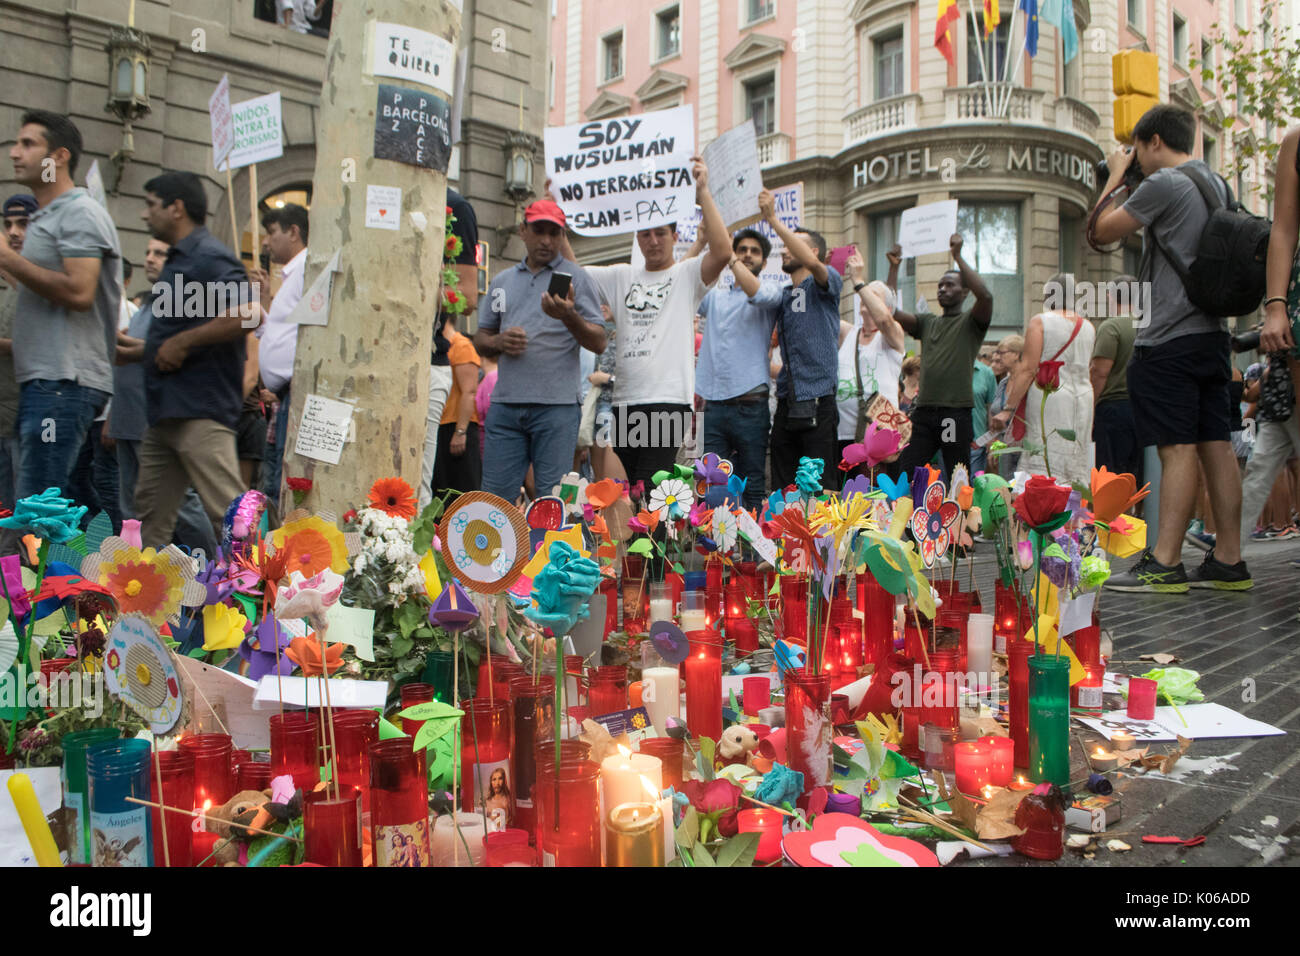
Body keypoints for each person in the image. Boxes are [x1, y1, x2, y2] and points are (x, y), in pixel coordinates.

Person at [1092, 105, 1249, 592]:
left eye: (1137, 147)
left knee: (1177, 447)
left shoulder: (1165, 183)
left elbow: (1100, 233)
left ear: (1153, 141)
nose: (1135, 156)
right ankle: (1229, 559)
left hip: (1169, 338)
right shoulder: (1215, 183)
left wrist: (1116, 177)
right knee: (1216, 445)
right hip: (1211, 336)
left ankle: (1165, 562)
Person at [563, 158, 731, 491]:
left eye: (660, 233)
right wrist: (559, 217)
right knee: (630, 494)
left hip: (668, 401)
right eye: (645, 234)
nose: (652, 241)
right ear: (637, 237)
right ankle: (645, 542)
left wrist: (703, 193)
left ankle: (652, 543)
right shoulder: (621, 275)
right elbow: (575, 273)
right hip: (626, 401)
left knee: (651, 489)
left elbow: (723, 251)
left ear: (674, 235)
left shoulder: (686, 275)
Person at [133, 171, 259, 548]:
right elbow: (180, 332)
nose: (143, 215)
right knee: (148, 518)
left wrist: (182, 344)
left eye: (151, 205)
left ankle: (266, 597)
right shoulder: (180, 260)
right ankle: (145, 600)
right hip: (165, 414)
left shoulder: (209, 256)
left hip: (199, 411)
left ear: (177, 208)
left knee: (231, 517)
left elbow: (249, 314)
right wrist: (142, 351)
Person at [0, 111, 120, 500]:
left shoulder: (78, 212)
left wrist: (6, 258)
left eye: (28, 144)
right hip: (45, 382)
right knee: (59, 507)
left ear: (59, 157)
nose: (15, 152)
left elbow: (79, 292)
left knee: (41, 512)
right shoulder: (45, 217)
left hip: (63, 383)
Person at [475, 199, 605, 502]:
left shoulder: (577, 278)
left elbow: (599, 341)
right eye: (539, 230)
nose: (547, 240)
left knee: (553, 503)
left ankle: (551, 551)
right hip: (506, 406)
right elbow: (481, 337)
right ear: (523, 230)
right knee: (495, 500)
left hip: (557, 408)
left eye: (554, 233)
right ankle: (501, 551)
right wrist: (498, 342)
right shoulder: (502, 283)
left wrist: (568, 315)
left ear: (563, 237)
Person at [109, 236, 216, 556]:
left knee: (178, 501)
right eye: (147, 252)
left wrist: (117, 344)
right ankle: (141, 575)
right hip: (129, 417)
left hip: (159, 419)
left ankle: (221, 568)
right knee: (132, 508)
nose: (150, 259)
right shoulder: (149, 305)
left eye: (160, 253)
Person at [891, 234, 994, 479]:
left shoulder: (971, 322)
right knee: (905, 472)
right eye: (940, 285)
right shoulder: (928, 323)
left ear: (965, 291)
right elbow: (890, 310)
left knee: (958, 476)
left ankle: (961, 517)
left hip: (954, 414)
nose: (942, 289)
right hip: (924, 414)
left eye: (950, 285)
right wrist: (894, 268)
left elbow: (986, 296)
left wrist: (958, 256)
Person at [696, 228, 781, 511]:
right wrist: (700, 242)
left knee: (752, 485)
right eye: (741, 249)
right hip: (715, 408)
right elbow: (688, 285)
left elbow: (755, 292)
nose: (746, 254)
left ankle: (754, 554)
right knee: (713, 485)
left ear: (764, 263)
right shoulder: (715, 297)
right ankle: (721, 554)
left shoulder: (770, 292)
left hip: (751, 407)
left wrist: (731, 259)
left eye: (754, 251)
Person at [763, 192, 843, 491]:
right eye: (783, 244)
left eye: (791, 244)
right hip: (786, 401)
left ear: (813, 252)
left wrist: (774, 221)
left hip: (818, 400)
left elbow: (812, 263)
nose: (783, 250)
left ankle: (823, 541)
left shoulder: (827, 283)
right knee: (784, 488)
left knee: (819, 490)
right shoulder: (785, 293)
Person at [989, 274, 1096, 486]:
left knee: (1044, 453)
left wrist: (1008, 408)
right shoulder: (1089, 327)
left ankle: (1043, 501)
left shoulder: (1040, 322)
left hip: (1051, 396)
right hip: (1083, 398)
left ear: (1048, 295)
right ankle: (1073, 505)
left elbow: (1028, 369)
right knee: (1075, 455)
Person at [423, 189, 479, 509]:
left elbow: (469, 392)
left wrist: (460, 432)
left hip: (427, 365)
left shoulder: (455, 207)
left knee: (422, 490)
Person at [250, 203, 309, 503]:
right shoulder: (290, 276)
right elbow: (278, 333)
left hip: (293, 392)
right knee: (274, 480)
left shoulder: (307, 268)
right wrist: (262, 303)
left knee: (281, 482)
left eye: (272, 232)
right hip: (282, 397)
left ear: (294, 232)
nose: (266, 241)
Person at [838, 252, 904, 466]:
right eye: (864, 295)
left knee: (876, 494)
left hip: (879, 435)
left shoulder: (891, 335)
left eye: (873, 297)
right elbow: (822, 312)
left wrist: (858, 281)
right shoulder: (849, 333)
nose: (865, 299)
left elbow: (884, 319)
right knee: (846, 495)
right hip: (844, 434)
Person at [0, 194, 37, 505]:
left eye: (23, 223)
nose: (13, 232)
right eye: (8, 224)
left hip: (29, 416)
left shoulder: (47, 278)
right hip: (4, 413)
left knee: (27, 506)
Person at [1090, 275, 1142, 479]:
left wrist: (1090, 406)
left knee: (1110, 473)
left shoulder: (1111, 327)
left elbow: (1099, 372)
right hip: (1144, 408)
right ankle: (1136, 511)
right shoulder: (1149, 325)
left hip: (1113, 409)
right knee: (1137, 472)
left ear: (1112, 296)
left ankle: (1114, 512)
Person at [431, 312, 481, 498]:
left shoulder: (461, 346)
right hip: (440, 424)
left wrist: (460, 432)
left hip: (456, 426)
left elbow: (469, 391)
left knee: (461, 491)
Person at [987, 334, 1023, 478]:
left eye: (1002, 352)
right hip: (1003, 448)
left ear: (1016, 355)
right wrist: (994, 446)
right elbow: (995, 417)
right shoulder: (1003, 383)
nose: (998, 356)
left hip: (1023, 448)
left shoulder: (1029, 382)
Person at [969, 342, 999, 476]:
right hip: (950, 439)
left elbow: (992, 409)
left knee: (975, 486)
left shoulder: (986, 373)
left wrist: (991, 439)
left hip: (977, 442)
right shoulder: (947, 370)